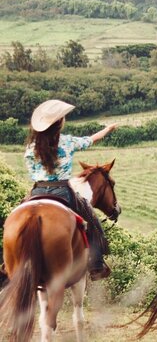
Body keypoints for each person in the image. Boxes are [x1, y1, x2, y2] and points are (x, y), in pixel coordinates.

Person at [24, 99, 117, 280]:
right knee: (92, 221)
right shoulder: (67, 142)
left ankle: (6, 267)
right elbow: (91, 140)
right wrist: (108, 129)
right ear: (59, 123)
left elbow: (31, 172)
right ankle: (96, 265)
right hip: (63, 192)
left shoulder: (30, 147)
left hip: (36, 191)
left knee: (16, 217)